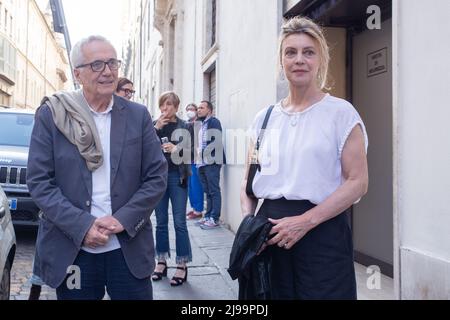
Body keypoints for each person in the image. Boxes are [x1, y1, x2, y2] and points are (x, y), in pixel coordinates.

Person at [26, 35, 168, 300]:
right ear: (78, 73)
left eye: (113, 63)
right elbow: (39, 182)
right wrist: (83, 227)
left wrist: (122, 219)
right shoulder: (54, 115)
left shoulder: (138, 116)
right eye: (97, 64)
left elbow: (156, 177)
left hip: (128, 250)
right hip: (74, 252)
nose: (107, 71)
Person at [240, 16, 369, 299]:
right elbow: (249, 184)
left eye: (308, 52)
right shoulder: (264, 118)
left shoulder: (340, 113)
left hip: (323, 234)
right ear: (281, 60)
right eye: (291, 52)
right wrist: (250, 228)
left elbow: (358, 182)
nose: (299, 59)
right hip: (269, 236)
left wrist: (306, 221)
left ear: (320, 59)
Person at [151, 92, 192, 286]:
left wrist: (176, 150)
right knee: (160, 221)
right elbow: (143, 147)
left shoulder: (185, 126)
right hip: (158, 178)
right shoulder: (154, 125)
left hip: (178, 176)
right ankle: (161, 261)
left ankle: (182, 264)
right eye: (162, 106)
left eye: (168, 105)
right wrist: (155, 128)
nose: (164, 109)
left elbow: (193, 153)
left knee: (179, 221)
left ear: (176, 107)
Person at [195, 101, 225, 230]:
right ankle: (207, 216)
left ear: (209, 110)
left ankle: (214, 218)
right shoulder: (202, 125)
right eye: (198, 108)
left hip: (212, 161)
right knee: (207, 191)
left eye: (202, 108)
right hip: (202, 163)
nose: (198, 110)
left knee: (214, 190)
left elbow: (215, 140)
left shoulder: (214, 122)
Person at [184, 103, 204, 220]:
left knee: (196, 185)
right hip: (188, 158)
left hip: (196, 158)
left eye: (191, 109)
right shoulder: (187, 123)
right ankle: (194, 208)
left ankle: (198, 210)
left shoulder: (200, 124)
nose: (189, 111)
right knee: (190, 185)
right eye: (187, 109)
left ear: (196, 111)